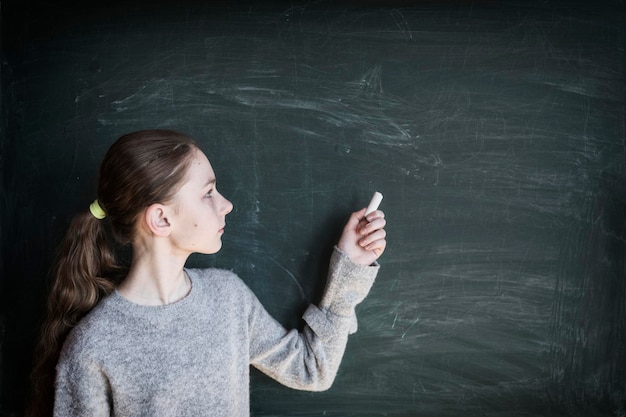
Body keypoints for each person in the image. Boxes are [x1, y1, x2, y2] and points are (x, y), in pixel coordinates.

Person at [28, 129, 387, 417]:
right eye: (209, 192)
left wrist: (349, 267)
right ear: (161, 219)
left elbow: (312, 369)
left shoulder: (227, 297)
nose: (226, 204)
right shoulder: (93, 347)